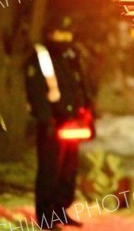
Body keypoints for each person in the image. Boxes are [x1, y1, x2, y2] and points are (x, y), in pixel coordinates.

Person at [25, 22, 94, 230]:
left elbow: (80, 85)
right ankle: (46, 218)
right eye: (59, 32)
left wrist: (88, 111)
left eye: (67, 33)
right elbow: (36, 91)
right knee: (49, 171)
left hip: (72, 122)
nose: (64, 38)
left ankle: (60, 210)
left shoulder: (71, 56)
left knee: (68, 170)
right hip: (52, 123)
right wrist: (46, 119)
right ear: (50, 33)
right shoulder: (41, 57)